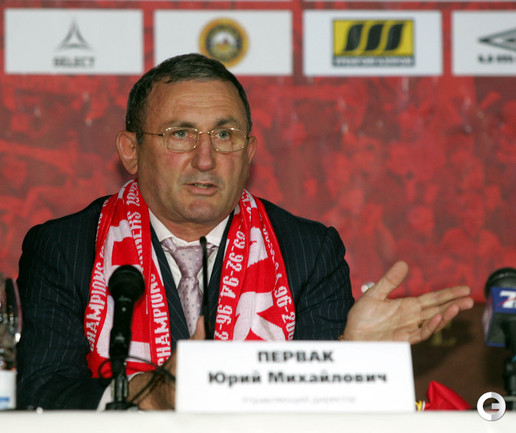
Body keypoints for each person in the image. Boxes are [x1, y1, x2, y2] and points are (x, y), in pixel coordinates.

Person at [16, 53, 473, 411]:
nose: (205, 159)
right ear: (131, 151)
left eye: (225, 135)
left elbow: (325, 413)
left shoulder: (309, 251)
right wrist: (151, 395)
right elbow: (41, 393)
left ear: (249, 151)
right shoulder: (63, 247)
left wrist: (351, 354)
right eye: (180, 134)